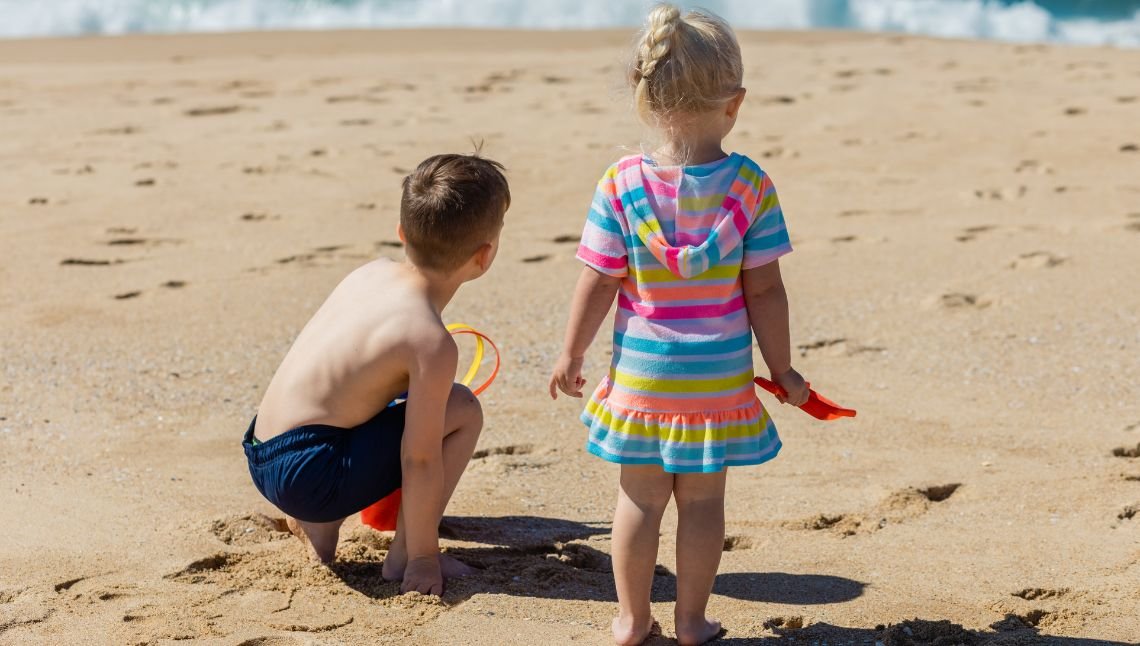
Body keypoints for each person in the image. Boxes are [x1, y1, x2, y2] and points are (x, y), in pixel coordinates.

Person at [548, 5, 810, 644]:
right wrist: (783, 369)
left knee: (638, 500)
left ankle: (633, 620)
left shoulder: (620, 184)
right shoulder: (749, 186)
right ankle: (691, 621)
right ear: (736, 102)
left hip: (642, 373)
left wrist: (571, 352)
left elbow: (599, 279)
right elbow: (766, 291)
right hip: (716, 380)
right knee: (701, 504)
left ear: (644, 96)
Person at [243, 152, 510, 596]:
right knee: (461, 407)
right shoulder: (430, 341)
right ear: (483, 257)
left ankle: (319, 523)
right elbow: (420, 458)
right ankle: (406, 553)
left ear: (402, 233)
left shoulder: (369, 273)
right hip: (310, 474)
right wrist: (426, 559)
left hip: (263, 449)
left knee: (377, 397)